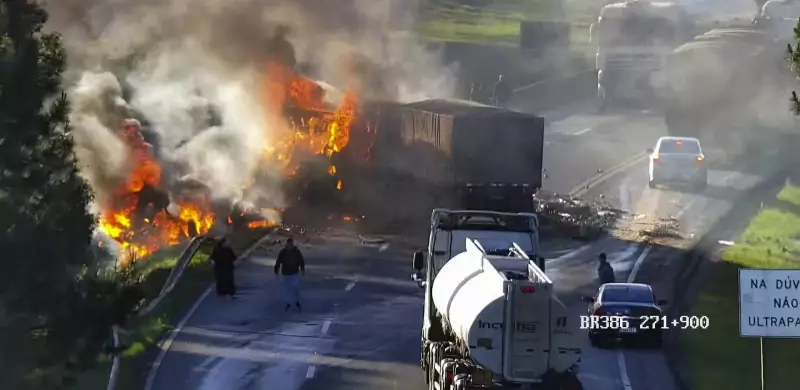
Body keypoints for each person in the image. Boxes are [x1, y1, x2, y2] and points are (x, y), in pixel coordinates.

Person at [275, 238, 305, 311]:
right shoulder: (283, 252)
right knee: (287, 289)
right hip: (286, 273)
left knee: (295, 287)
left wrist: (302, 269)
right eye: (289, 244)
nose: (290, 246)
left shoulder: (296, 252)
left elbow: (301, 261)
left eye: (291, 244)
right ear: (287, 244)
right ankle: (288, 303)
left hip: (294, 272)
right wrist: (276, 269)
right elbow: (278, 261)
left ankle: (297, 301)